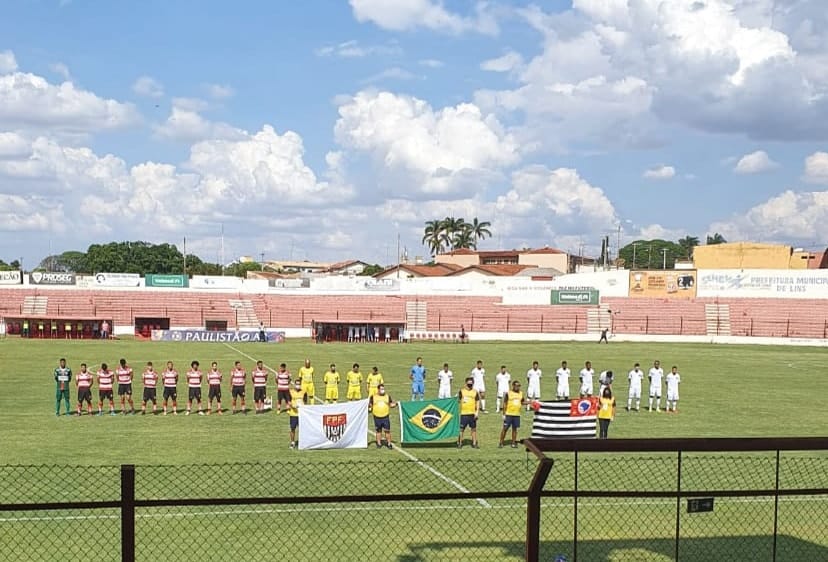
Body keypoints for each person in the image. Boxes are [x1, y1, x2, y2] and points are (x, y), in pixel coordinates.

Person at [499, 380, 527, 448]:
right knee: (505, 429)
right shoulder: (508, 393)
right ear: (513, 386)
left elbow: (522, 402)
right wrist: (504, 414)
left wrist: (531, 403)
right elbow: (505, 404)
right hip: (509, 414)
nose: (518, 387)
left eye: (519, 386)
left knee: (515, 429)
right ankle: (501, 442)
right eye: (516, 386)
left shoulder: (521, 393)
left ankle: (513, 443)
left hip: (517, 414)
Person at [369, 384, 396, 449]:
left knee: (387, 431)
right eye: (381, 389)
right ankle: (379, 443)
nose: (382, 390)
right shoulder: (373, 397)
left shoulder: (387, 396)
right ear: (378, 389)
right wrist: (369, 409)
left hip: (385, 416)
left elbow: (391, 404)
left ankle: (389, 443)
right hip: (377, 417)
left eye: (383, 389)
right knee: (378, 431)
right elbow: (370, 406)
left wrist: (396, 404)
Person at [457, 377, 480, 449]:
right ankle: (460, 443)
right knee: (461, 429)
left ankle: (474, 443)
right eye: (469, 384)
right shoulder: (462, 391)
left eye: (471, 384)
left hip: (472, 414)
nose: (470, 385)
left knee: (473, 429)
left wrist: (477, 412)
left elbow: (478, 401)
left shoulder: (475, 392)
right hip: (464, 414)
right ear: (466, 383)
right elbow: (458, 400)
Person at [287, 379, 307, 449]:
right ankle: (292, 442)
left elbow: (305, 402)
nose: (298, 385)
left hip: (301, 414)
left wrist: (302, 407)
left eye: (299, 384)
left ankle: (303, 442)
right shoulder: (291, 392)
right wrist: (292, 406)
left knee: (302, 429)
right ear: (294, 385)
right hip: (293, 413)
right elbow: (288, 402)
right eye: (297, 384)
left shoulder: (303, 392)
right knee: (293, 428)